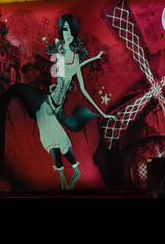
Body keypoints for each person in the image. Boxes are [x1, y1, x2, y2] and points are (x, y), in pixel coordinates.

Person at [15, 14, 105, 189]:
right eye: (64, 30)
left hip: (54, 108)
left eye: (70, 30)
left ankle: (69, 176)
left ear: (74, 34)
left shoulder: (75, 59)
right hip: (48, 106)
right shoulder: (60, 53)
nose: (67, 33)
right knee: (55, 141)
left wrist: (103, 113)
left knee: (58, 140)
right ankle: (66, 179)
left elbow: (84, 90)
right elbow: (56, 68)